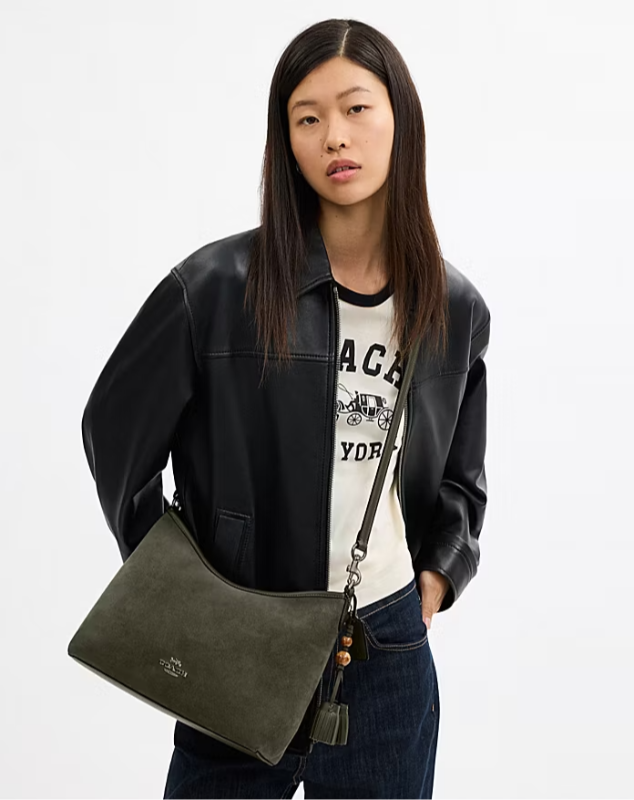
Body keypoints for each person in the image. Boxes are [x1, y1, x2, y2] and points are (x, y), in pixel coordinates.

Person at [81, 17, 491, 800]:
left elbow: (462, 482)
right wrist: (178, 585)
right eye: (308, 118)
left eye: (357, 108)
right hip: (239, 639)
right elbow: (114, 432)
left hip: (384, 649)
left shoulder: (453, 308)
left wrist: (439, 576)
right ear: (288, 143)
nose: (335, 135)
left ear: (401, 119)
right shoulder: (214, 289)